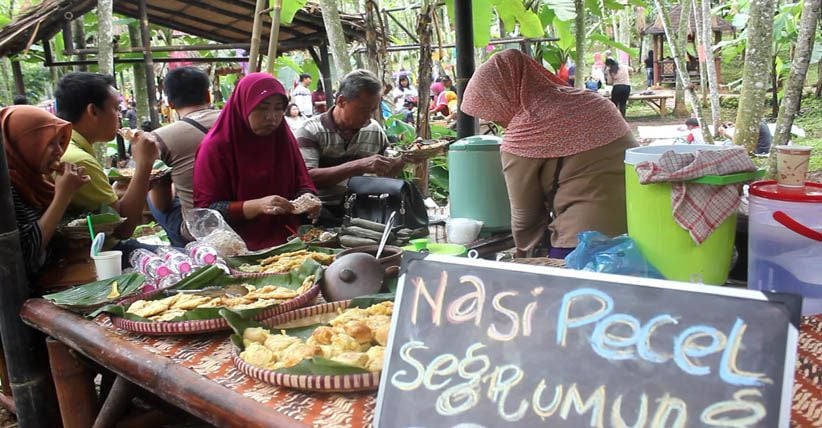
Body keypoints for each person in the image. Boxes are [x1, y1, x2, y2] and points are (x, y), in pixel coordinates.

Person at [461, 49, 636, 259]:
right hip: (640, 228)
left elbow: (526, 216)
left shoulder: (524, 133)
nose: (496, 121)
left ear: (503, 95)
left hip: (581, 244)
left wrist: (525, 258)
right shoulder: (595, 102)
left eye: (491, 111)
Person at [193, 73, 319, 251]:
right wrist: (257, 206)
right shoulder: (216, 147)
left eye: (278, 108)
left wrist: (308, 199)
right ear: (243, 106)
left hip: (291, 240)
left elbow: (302, 179)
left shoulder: (283, 137)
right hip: (238, 247)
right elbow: (206, 212)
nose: (271, 117)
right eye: (262, 107)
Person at [294, 69, 406, 226]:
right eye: (363, 110)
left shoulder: (373, 130)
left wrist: (405, 159)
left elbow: (386, 173)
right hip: (322, 212)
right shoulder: (311, 130)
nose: (368, 117)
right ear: (341, 101)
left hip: (367, 211)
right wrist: (358, 166)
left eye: (373, 110)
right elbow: (307, 178)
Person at [55, 72, 158, 240]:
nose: (120, 116)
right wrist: (144, 164)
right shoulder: (79, 160)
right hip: (100, 254)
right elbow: (122, 229)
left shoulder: (67, 147)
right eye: (116, 108)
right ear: (93, 111)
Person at [1, 106, 90, 279]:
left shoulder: (36, 180)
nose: (59, 151)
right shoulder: (8, 190)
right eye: (50, 143)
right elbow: (26, 255)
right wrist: (63, 196)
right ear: (25, 144)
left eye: (60, 142)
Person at [148, 66, 220, 247]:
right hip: (248, 212)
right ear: (208, 96)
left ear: (170, 104)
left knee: (151, 197)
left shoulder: (160, 138)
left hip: (201, 230)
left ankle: (183, 250)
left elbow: (162, 204)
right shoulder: (236, 121)